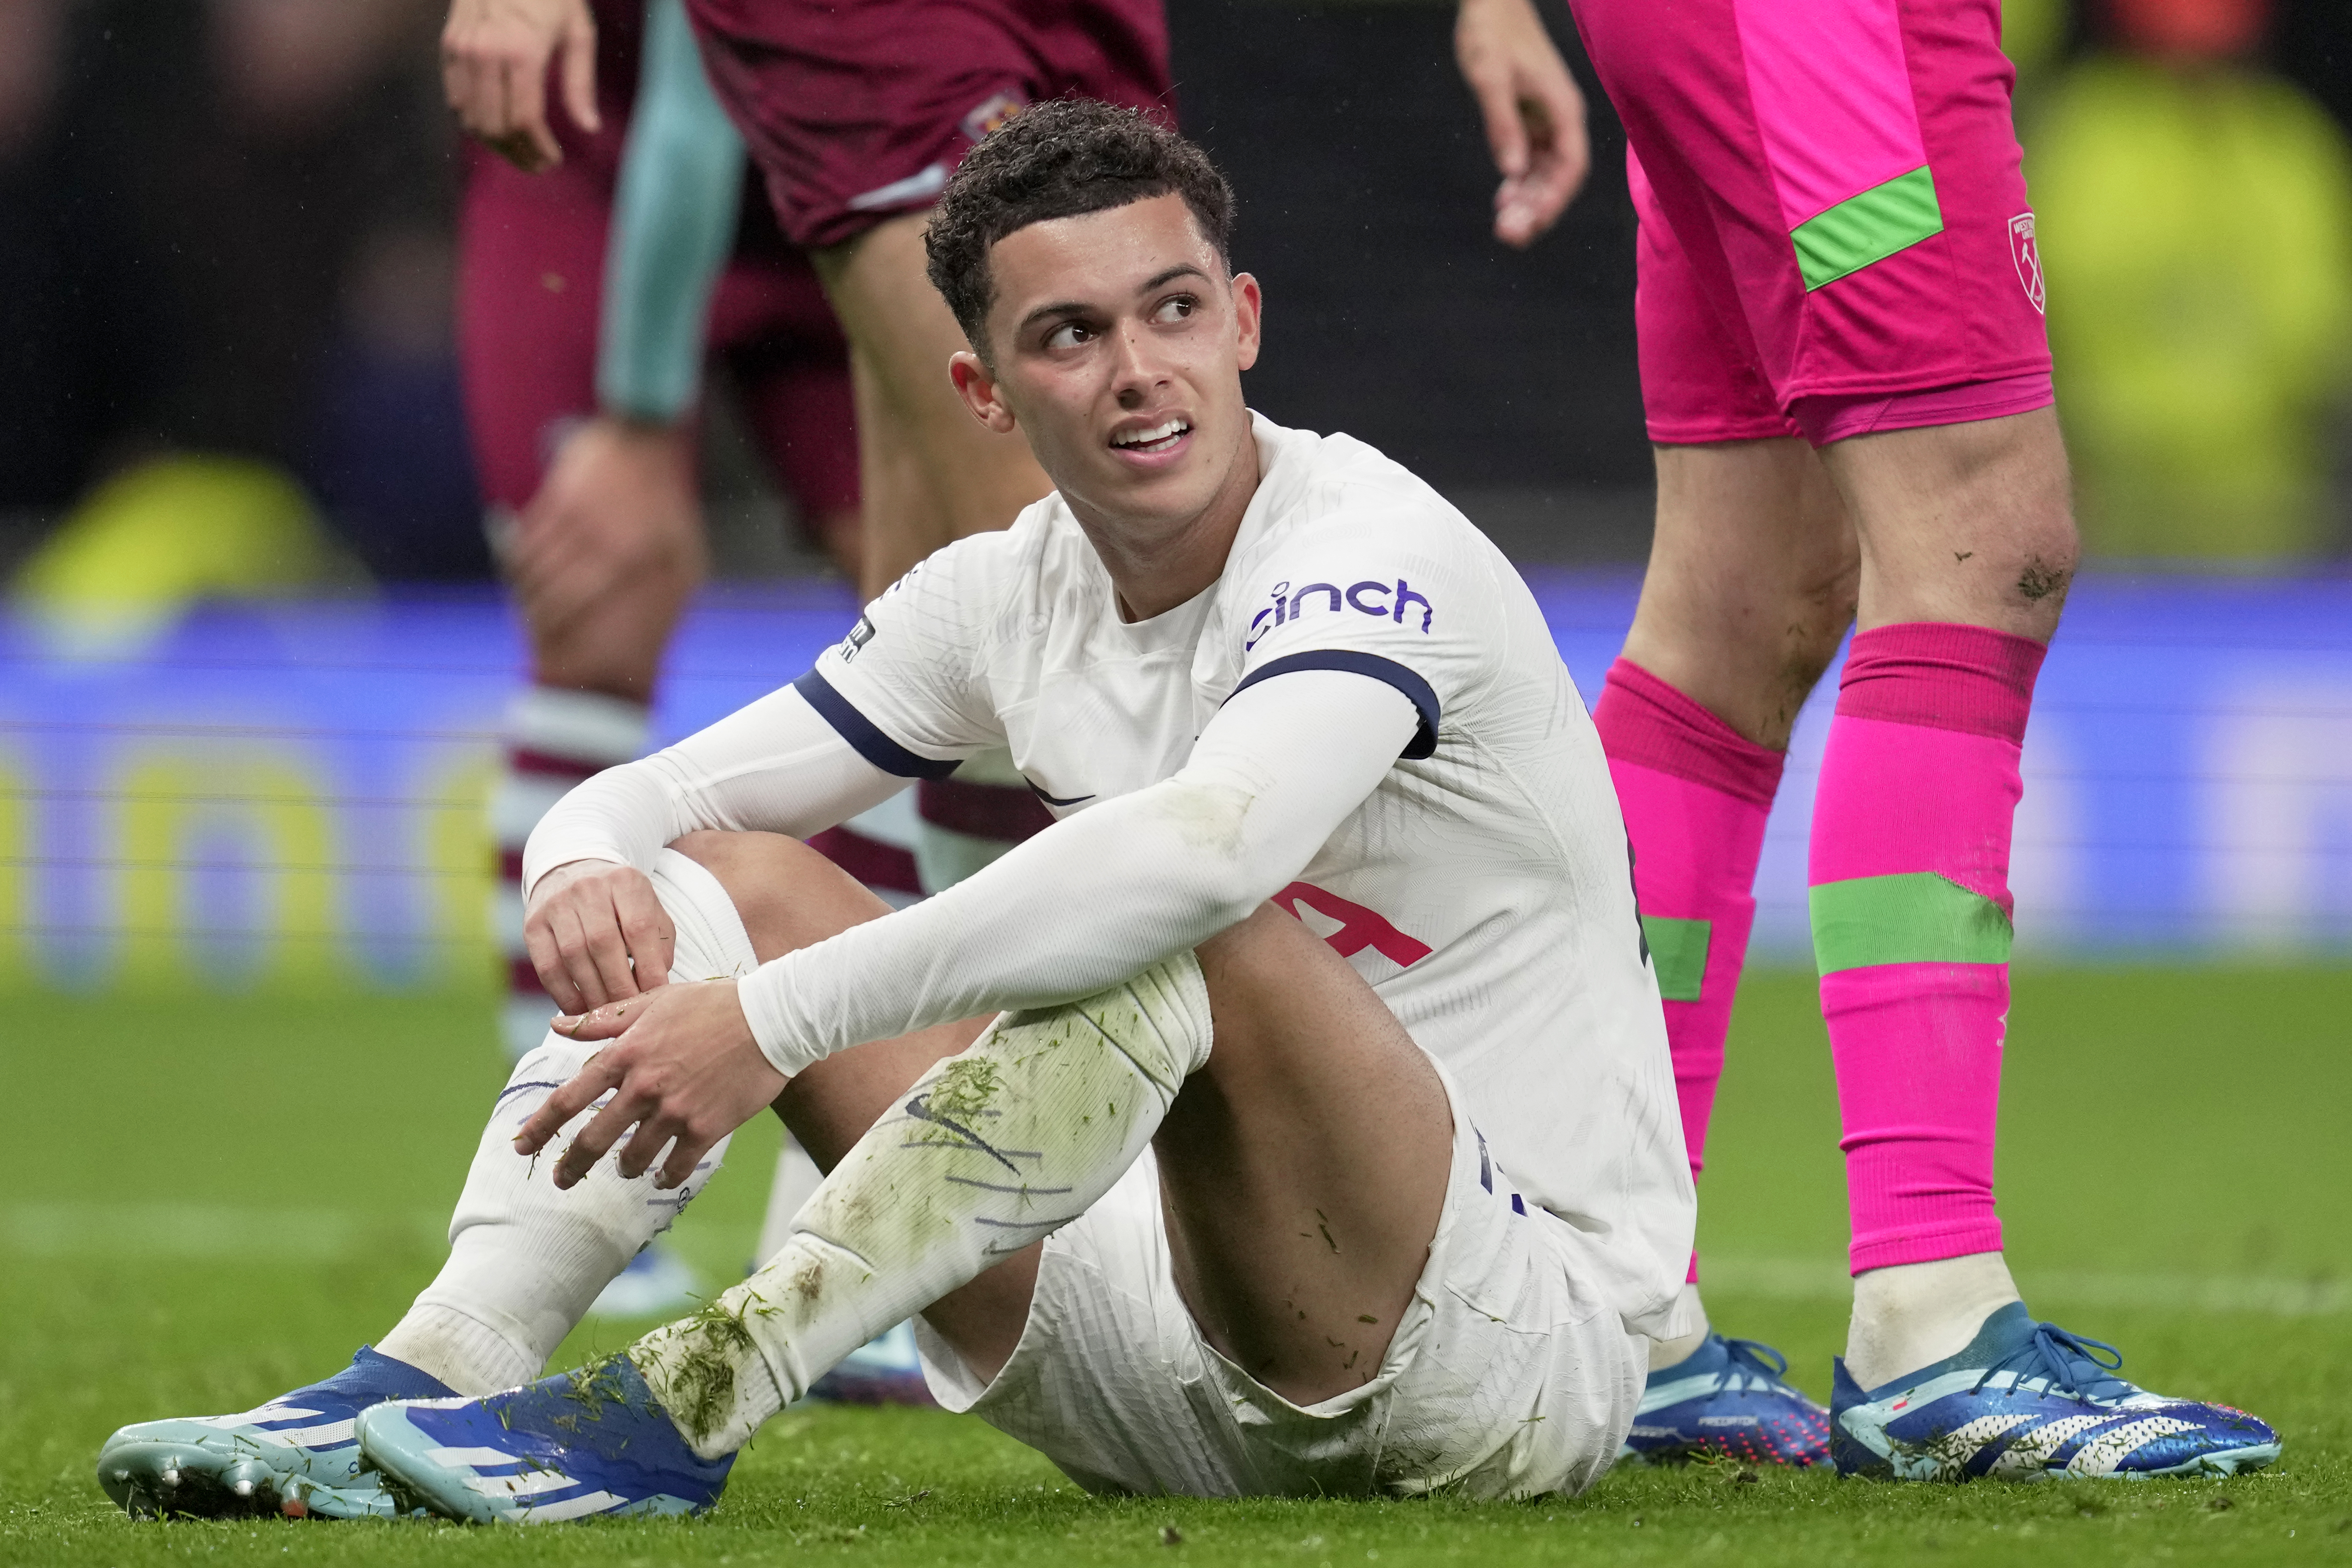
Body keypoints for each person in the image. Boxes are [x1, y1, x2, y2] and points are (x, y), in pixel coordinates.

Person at [97, 103, 1695, 1520]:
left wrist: (769, 1023)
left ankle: (685, 1406)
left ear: (1245, 320)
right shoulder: (1002, 593)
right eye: (1068, 336)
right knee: (737, 879)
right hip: (1159, 1346)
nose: (1140, 372)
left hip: (1504, 1359)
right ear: (983, 390)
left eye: (1175, 311)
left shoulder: (1370, 547)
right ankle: (431, 1370)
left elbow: (1213, 853)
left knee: (1193, 917)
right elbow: (667, 797)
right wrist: (588, 858)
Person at [1450, 0, 2283, 1477]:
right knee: (1980, 537)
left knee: (1741, 606)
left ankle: (1604, 1301)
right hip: (1825, 37)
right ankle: (1931, 1317)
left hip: (1725, 39)